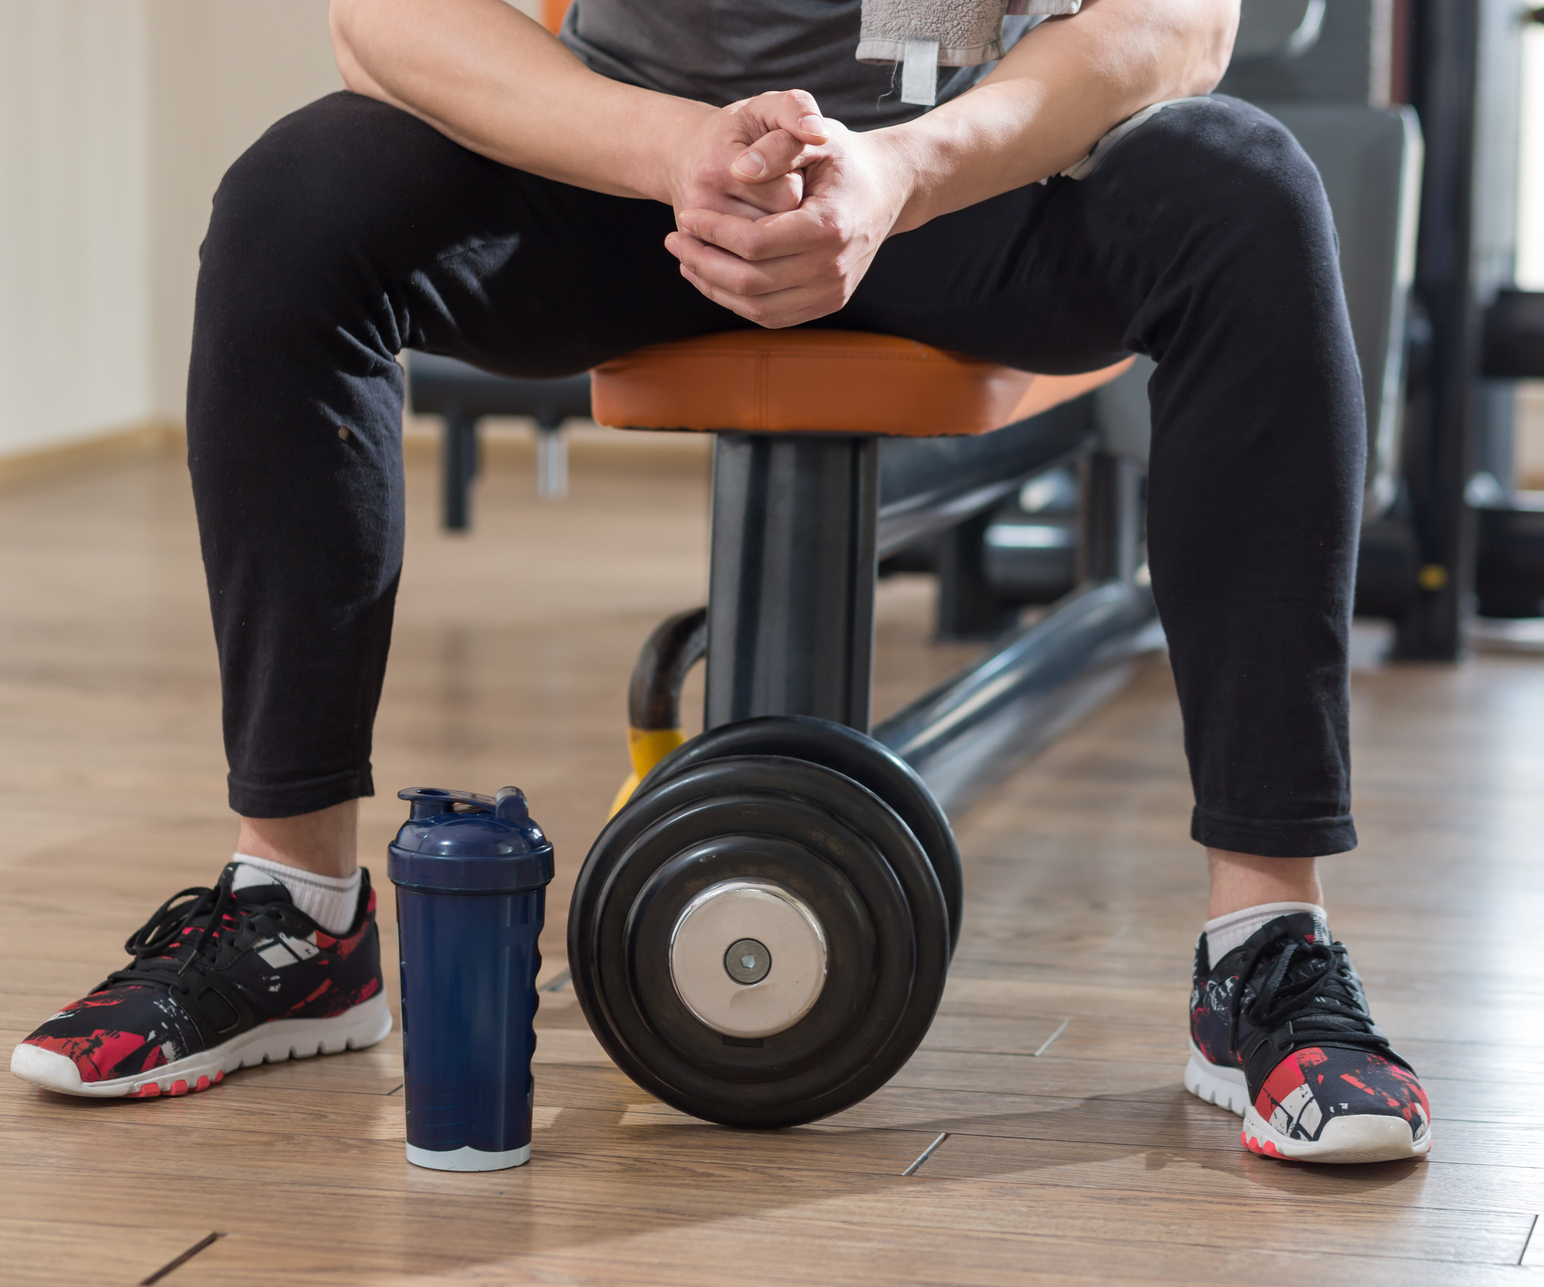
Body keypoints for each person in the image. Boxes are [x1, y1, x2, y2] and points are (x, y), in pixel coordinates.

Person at [9, 0, 1430, 1164]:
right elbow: (383, 23)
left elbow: (1178, 24)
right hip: (630, 178)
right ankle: (295, 922)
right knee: (294, 200)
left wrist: (903, 171)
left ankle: (1264, 946)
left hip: (967, 174)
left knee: (1247, 193)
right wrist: (677, 147)